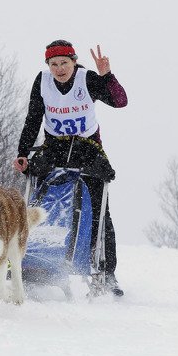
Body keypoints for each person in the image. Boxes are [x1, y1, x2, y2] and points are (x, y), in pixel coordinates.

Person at [12, 40, 128, 296]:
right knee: (38, 204)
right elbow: (33, 118)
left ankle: (107, 273)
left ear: (74, 62)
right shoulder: (41, 81)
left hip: (88, 150)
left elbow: (120, 101)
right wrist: (22, 152)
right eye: (54, 64)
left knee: (99, 213)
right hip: (55, 148)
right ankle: (30, 260)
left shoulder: (87, 79)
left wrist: (107, 75)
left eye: (64, 63)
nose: (59, 68)